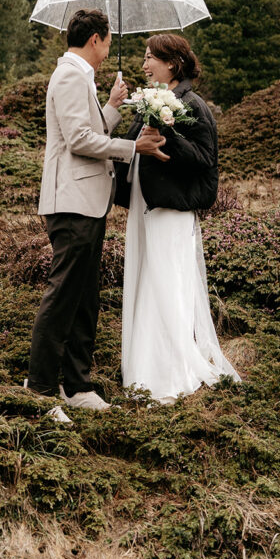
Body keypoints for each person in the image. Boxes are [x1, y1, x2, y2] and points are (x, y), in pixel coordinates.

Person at [27, 9, 169, 423]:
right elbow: (78, 140)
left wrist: (109, 107)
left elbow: (88, 129)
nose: (108, 50)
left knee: (84, 297)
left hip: (85, 201)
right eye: (108, 41)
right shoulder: (70, 76)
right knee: (63, 296)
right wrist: (132, 149)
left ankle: (76, 385)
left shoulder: (79, 76)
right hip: (71, 203)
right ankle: (39, 388)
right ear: (95, 39)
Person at [118, 33, 242, 403]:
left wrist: (167, 133)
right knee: (147, 282)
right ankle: (144, 368)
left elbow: (204, 160)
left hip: (172, 211)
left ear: (172, 63)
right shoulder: (151, 102)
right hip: (147, 209)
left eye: (149, 57)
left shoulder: (193, 104)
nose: (143, 65)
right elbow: (130, 145)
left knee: (166, 284)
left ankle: (170, 371)